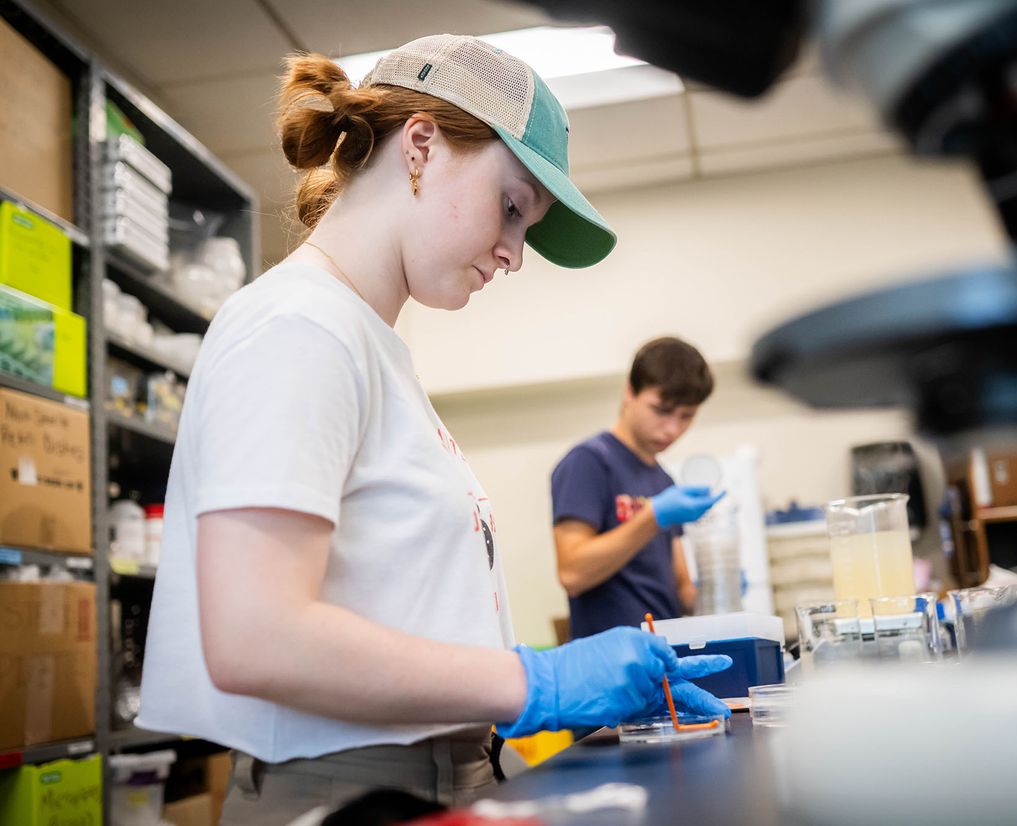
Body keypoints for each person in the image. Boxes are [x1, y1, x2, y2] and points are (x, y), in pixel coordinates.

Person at [135, 35, 730, 825]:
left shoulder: (373, 348)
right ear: (420, 146)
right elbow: (255, 635)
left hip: (437, 772)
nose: (515, 254)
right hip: (347, 790)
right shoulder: (299, 326)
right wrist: (536, 683)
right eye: (512, 209)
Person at [552, 337, 722, 640]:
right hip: (612, 668)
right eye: (662, 410)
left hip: (663, 657)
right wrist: (652, 517)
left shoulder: (664, 480)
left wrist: (717, 585)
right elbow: (572, 573)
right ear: (630, 391)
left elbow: (681, 589)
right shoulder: (589, 462)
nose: (672, 429)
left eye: (686, 416)